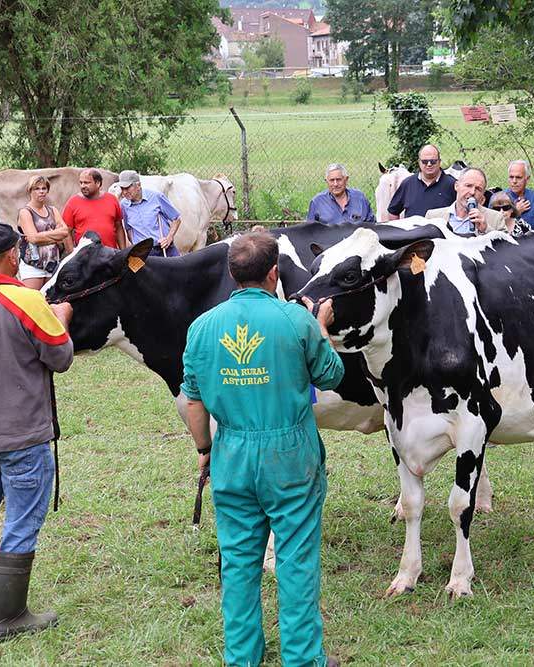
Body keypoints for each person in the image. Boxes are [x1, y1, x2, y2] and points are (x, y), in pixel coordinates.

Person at [182, 231, 344, 667]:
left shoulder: (203, 327)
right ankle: (303, 657)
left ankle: (243, 655)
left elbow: (192, 401)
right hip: (289, 453)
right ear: (274, 272)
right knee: (295, 557)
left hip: (230, 449)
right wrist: (322, 328)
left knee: (237, 559)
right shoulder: (297, 320)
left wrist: (205, 448)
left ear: (232, 273)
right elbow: (331, 376)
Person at [0, 222, 73, 641]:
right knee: (22, 518)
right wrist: (61, 318)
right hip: (22, 435)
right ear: (12, 255)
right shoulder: (27, 300)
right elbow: (60, 357)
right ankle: (8, 618)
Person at [16, 176, 70, 289]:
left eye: (44, 188)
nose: (41, 192)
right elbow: (33, 239)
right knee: (32, 301)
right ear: (30, 191)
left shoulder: (52, 210)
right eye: (37, 189)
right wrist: (55, 235)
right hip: (33, 266)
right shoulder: (25, 212)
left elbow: (65, 231)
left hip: (52, 263)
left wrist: (42, 237)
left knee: (49, 301)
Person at [116, 170, 183, 257]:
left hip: (163, 249)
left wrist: (169, 238)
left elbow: (176, 219)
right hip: (141, 252)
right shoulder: (124, 205)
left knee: (177, 269)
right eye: (122, 188)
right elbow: (128, 229)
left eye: (127, 188)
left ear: (138, 185)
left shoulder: (156, 197)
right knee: (129, 269)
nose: (124, 192)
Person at [425, 168, 508, 235]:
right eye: (468, 186)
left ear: (483, 194)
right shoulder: (433, 217)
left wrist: (486, 229)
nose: (472, 192)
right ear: (456, 186)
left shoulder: (496, 218)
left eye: (478, 189)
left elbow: (507, 249)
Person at [386, 144, 457, 219]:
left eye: (433, 161)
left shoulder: (452, 184)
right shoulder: (407, 184)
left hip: (440, 230)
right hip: (412, 230)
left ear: (439, 162)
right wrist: (398, 230)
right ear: (419, 162)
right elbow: (393, 212)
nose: (429, 164)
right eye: (424, 161)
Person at [62, 168, 126, 250]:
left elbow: (119, 227)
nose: (83, 186)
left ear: (98, 183)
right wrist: (72, 254)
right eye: (81, 183)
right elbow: (66, 232)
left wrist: (123, 252)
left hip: (109, 256)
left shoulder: (112, 200)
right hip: (85, 258)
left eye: (87, 183)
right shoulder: (73, 203)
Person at [306, 163, 376, 225]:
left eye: (339, 179)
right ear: (326, 181)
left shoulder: (360, 198)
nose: (335, 184)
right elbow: (310, 232)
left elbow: (372, 225)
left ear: (346, 179)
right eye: (332, 180)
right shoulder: (317, 202)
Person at [505, 160, 534, 230]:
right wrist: (515, 213)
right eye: (511, 177)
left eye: (518, 177)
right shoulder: (499, 199)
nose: (514, 181)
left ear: (527, 179)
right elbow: (495, 229)